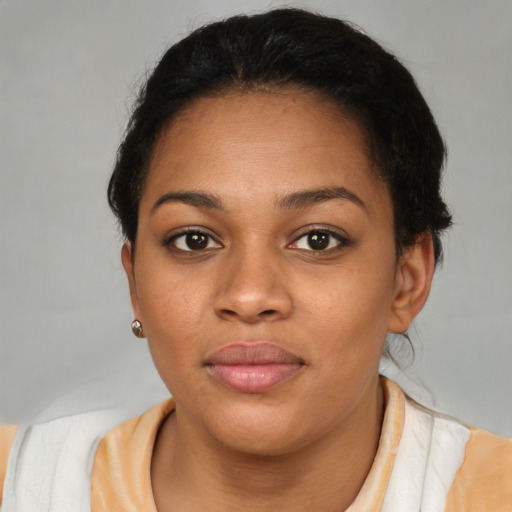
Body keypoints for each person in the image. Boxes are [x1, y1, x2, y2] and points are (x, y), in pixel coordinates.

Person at [1, 7, 511, 511]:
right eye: (194, 240)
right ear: (135, 283)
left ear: (407, 279)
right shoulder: (18, 485)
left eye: (317, 240)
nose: (248, 296)